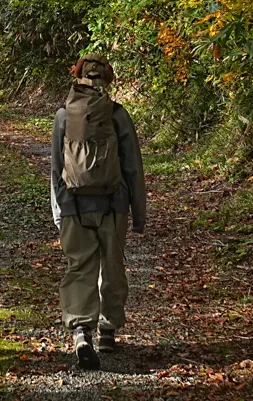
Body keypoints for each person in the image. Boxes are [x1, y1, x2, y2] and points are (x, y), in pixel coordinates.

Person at [49, 54, 145, 370]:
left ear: (76, 77)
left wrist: (60, 212)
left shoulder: (64, 116)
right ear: (109, 80)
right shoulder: (119, 116)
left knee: (79, 266)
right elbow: (132, 168)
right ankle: (107, 329)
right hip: (113, 206)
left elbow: (56, 169)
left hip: (75, 205)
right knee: (112, 266)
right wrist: (139, 214)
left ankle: (80, 331)